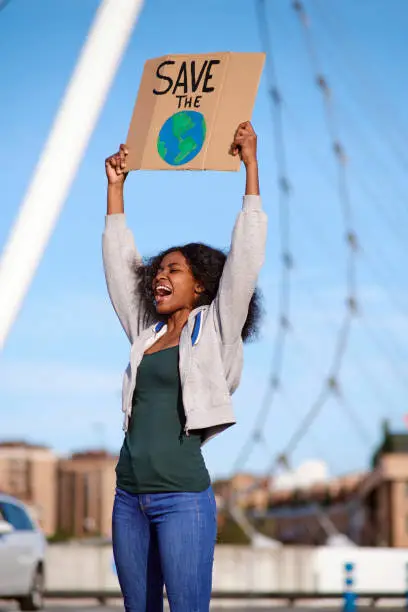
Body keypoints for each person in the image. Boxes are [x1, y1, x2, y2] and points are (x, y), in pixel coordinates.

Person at [103, 121, 267, 612]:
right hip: (128, 497)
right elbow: (119, 267)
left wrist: (250, 167)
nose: (160, 276)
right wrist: (116, 190)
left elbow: (245, 260)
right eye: (159, 270)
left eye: (174, 270)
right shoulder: (145, 336)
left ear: (200, 286)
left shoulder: (213, 331)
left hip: (182, 500)